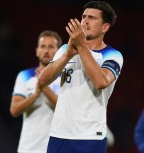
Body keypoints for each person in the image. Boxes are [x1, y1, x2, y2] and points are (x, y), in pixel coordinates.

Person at [38, 1, 123, 153]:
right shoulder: (65, 49)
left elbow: (101, 81)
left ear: (105, 27)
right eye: (84, 16)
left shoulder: (113, 55)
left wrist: (82, 46)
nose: (85, 21)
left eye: (92, 18)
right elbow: (43, 81)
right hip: (59, 134)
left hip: (90, 137)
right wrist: (68, 54)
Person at [10, 30, 62, 153]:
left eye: (51, 47)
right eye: (43, 46)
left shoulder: (66, 78)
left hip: (56, 148)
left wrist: (44, 87)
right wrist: (35, 95)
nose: (46, 51)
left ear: (59, 52)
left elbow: (66, 111)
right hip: (29, 148)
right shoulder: (24, 75)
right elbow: (14, 110)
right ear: (37, 51)